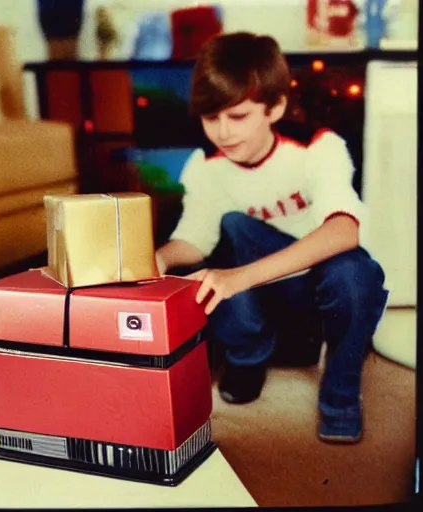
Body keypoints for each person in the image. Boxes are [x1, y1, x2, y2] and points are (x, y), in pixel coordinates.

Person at [155, 32, 389, 444]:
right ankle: (248, 354)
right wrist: (159, 257)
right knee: (229, 228)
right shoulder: (206, 165)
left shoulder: (318, 145)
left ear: (275, 107)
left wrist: (240, 277)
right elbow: (194, 239)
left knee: (357, 272)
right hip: (260, 298)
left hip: (318, 292)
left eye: (238, 116)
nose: (223, 133)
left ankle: (341, 393)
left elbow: (344, 229)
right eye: (212, 119)